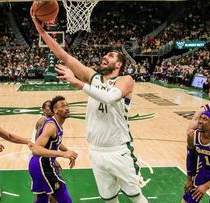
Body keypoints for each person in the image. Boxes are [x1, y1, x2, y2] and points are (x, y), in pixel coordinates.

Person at [31, 12, 148, 203]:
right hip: (96, 151)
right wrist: (41, 31)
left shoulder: (125, 80)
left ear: (118, 64)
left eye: (110, 56)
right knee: (108, 198)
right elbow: (63, 55)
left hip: (119, 150)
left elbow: (109, 98)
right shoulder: (93, 77)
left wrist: (76, 81)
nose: (105, 56)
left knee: (136, 197)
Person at [29, 96, 78, 203]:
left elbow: (56, 142)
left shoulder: (58, 124)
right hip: (43, 165)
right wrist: (62, 154)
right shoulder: (51, 126)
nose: (67, 108)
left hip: (36, 165)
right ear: (55, 110)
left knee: (42, 199)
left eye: (67, 105)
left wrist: (68, 152)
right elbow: (36, 149)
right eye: (63, 106)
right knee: (64, 199)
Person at [31, 100, 59, 203]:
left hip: (44, 158)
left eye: (52, 106)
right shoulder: (43, 121)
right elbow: (37, 144)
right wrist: (53, 159)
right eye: (48, 107)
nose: (51, 109)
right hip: (40, 160)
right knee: (47, 192)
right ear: (43, 110)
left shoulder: (50, 122)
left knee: (47, 192)